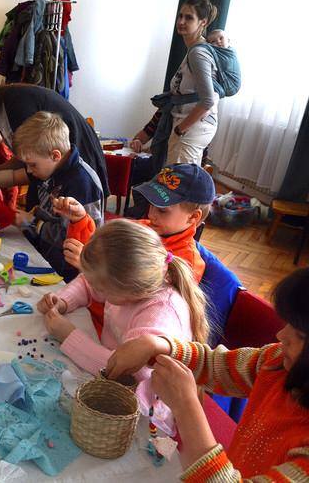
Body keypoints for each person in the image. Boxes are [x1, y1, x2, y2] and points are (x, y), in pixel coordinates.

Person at [106, 268, 309, 481]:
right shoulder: (277, 362)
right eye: (288, 324)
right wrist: (158, 345)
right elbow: (218, 366)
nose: (281, 335)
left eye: (301, 335)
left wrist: (186, 407)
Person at [39, 218, 208, 433]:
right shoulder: (130, 285)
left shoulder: (160, 316)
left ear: (130, 291)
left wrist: (69, 336)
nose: (98, 290)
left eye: (104, 290)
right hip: (109, 372)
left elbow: (129, 376)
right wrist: (64, 301)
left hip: (146, 411)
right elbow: (89, 284)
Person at [0, 72, 108, 201]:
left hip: (80, 168)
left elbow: (37, 165)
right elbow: (27, 161)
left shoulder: (16, 104)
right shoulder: (3, 110)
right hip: (56, 175)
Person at [63, 163, 215, 282]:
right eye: (151, 204)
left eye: (162, 210)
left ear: (193, 217)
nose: (151, 214)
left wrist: (91, 268)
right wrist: (81, 221)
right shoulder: (141, 227)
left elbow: (141, 302)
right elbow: (100, 247)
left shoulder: (186, 265)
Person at [128, 0, 219, 169]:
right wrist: (143, 136)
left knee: (177, 181)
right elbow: (176, 99)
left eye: (189, 17)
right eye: (180, 16)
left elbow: (208, 101)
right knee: (176, 180)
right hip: (187, 127)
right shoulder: (193, 50)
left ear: (203, 22)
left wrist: (179, 130)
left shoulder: (198, 53)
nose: (182, 21)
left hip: (191, 130)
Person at [12, 112, 103, 281]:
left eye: (32, 165)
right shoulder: (49, 169)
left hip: (70, 274)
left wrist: (33, 223)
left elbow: (82, 239)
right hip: (47, 258)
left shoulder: (83, 183)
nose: (29, 171)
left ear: (55, 156)